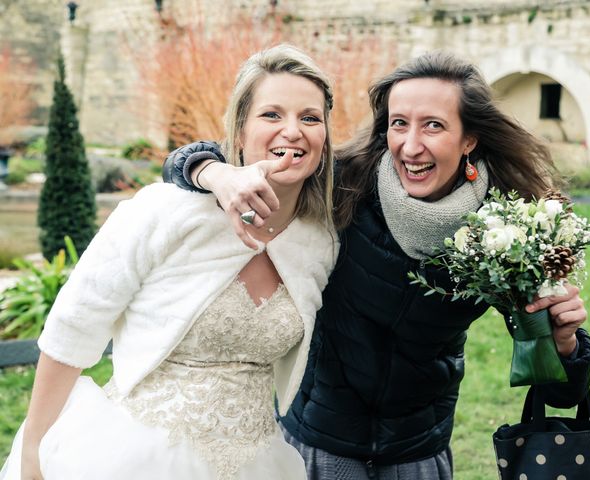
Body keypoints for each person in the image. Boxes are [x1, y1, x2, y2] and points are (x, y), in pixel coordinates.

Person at [163, 51, 590, 480]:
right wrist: (215, 174)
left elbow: (555, 386)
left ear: (469, 139)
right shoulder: (343, 184)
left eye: (434, 125)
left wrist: (565, 344)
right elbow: (184, 163)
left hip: (418, 453)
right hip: (321, 444)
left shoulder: (502, 226)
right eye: (399, 123)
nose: (410, 145)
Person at [0, 44, 339, 480]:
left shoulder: (322, 240)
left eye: (309, 118)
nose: (292, 131)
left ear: (325, 137)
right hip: (136, 457)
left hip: (256, 463)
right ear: (239, 131)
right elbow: (74, 325)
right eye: (272, 115)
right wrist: (33, 452)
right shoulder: (165, 211)